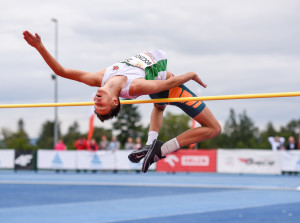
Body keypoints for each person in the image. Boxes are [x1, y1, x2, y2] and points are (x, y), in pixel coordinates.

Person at [23, 31, 221, 173]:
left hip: (159, 86)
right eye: (101, 105)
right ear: (116, 102)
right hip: (170, 87)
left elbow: (62, 72)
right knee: (213, 128)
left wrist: (40, 47)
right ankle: (161, 149)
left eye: (95, 104)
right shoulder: (134, 87)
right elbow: (168, 83)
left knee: (159, 106)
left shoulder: (100, 78)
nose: (96, 101)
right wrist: (191, 74)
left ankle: (150, 144)